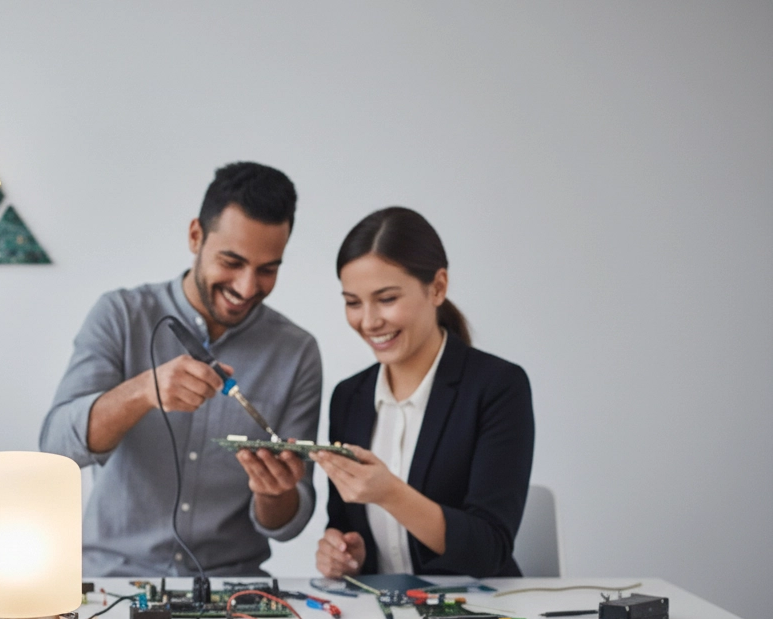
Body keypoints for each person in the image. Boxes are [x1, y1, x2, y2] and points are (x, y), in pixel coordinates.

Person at [40, 162, 322, 576]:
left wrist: (274, 493)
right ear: (195, 236)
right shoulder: (119, 315)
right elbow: (55, 447)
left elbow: (287, 523)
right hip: (113, 581)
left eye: (267, 270)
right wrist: (142, 392)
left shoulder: (297, 352)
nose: (246, 288)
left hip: (231, 588)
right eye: (232, 261)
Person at [311, 207, 534, 579]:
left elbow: (489, 548)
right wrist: (344, 552)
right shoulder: (348, 397)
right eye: (353, 302)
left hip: (480, 617)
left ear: (438, 287)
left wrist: (389, 493)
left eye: (386, 299)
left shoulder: (498, 387)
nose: (368, 321)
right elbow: (345, 525)